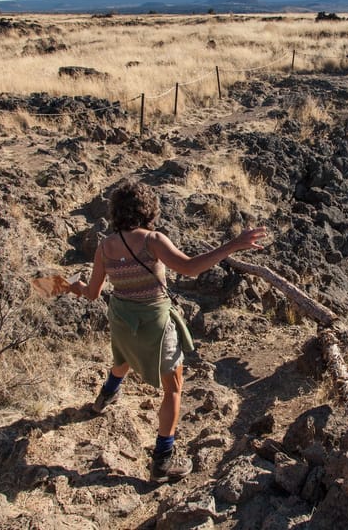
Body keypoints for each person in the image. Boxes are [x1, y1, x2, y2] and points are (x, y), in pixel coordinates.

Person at [68, 179, 266, 483]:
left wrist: (76, 287)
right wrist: (233, 245)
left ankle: (104, 398)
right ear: (148, 209)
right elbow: (190, 268)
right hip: (154, 322)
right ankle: (162, 461)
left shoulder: (104, 246)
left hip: (122, 318)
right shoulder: (152, 240)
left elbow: (93, 293)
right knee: (172, 389)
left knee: (123, 355)